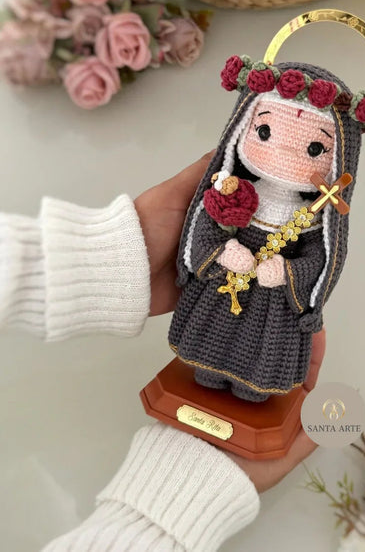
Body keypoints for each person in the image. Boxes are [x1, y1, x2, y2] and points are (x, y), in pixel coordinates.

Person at [0, 152, 325, 552]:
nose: (285, 155)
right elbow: (206, 229)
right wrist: (221, 251)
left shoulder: (314, 215)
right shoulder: (235, 189)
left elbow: (318, 259)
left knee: (259, 351)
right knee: (211, 341)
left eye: (315, 148)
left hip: (270, 304)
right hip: (225, 285)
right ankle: (211, 372)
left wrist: (288, 272)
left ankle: (250, 384)